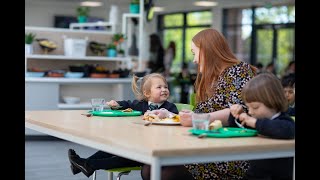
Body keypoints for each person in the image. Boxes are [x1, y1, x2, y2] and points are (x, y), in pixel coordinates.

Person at [141, 28, 257, 180]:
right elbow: (198, 115)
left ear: (209, 50)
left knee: (162, 172)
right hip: (205, 145)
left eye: (195, 52)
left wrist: (198, 118)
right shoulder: (209, 78)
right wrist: (169, 115)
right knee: (149, 169)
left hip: (230, 151)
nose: (194, 59)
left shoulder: (239, 70)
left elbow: (239, 112)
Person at [68, 73, 178, 178]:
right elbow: (127, 104)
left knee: (124, 158)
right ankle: (83, 164)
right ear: (147, 93)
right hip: (137, 145)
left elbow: (175, 119)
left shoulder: (170, 107)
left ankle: (87, 165)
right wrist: (117, 104)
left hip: (153, 150)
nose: (164, 89)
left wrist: (164, 115)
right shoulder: (141, 105)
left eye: (166, 87)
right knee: (110, 149)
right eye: (159, 87)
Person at [229, 72, 295, 180]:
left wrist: (253, 122)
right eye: (248, 107)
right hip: (255, 174)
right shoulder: (258, 120)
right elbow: (237, 127)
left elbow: (286, 130)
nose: (250, 112)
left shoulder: (284, 121)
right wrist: (236, 115)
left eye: (255, 107)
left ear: (273, 101)